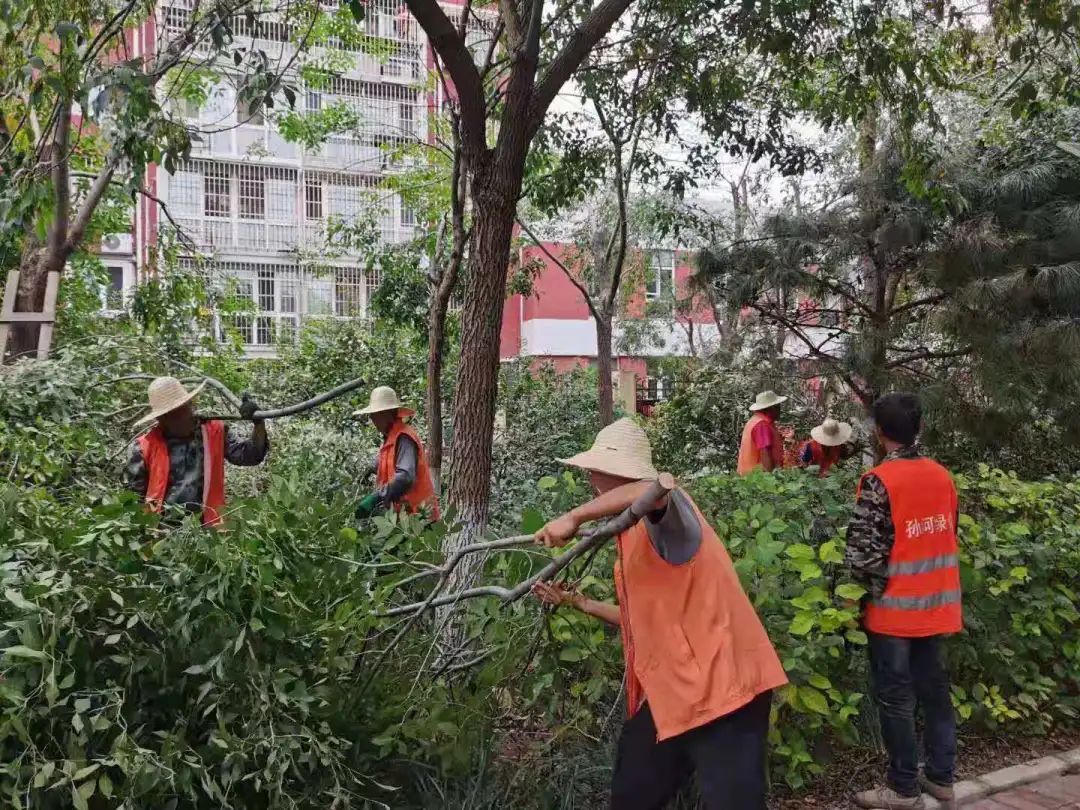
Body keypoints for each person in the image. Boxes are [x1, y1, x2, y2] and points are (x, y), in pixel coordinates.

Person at [532, 418, 788, 810]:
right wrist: (578, 603)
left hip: (726, 689)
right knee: (633, 790)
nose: (590, 479)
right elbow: (648, 619)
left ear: (619, 475)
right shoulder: (633, 532)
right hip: (678, 691)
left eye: (596, 471)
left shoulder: (668, 516)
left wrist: (575, 516)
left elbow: (656, 488)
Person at [845, 393, 961, 810]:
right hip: (938, 607)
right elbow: (948, 533)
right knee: (935, 693)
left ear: (879, 433)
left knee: (896, 700)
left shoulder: (879, 481)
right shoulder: (943, 477)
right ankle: (941, 778)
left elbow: (864, 556)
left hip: (894, 614)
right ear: (920, 428)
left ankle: (903, 787)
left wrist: (854, 602)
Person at [125, 376, 269, 527]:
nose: (179, 418)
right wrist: (144, 530)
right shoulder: (143, 447)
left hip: (209, 528)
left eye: (181, 410)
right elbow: (134, 500)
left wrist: (258, 423)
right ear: (160, 419)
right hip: (160, 530)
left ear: (190, 406)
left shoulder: (214, 432)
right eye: (170, 415)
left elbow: (250, 456)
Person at [353, 386, 439, 520]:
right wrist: (369, 469)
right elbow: (386, 461)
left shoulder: (404, 438)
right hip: (404, 516)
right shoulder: (391, 437)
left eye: (374, 415)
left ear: (386, 414)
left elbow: (405, 477)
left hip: (419, 517)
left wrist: (377, 497)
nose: (372, 419)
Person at [738, 390, 787, 475]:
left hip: (750, 477)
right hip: (758, 478)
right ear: (772, 408)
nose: (780, 410)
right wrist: (771, 477)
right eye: (778, 406)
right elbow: (765, 453)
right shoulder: (762, 425)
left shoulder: (755, 420)